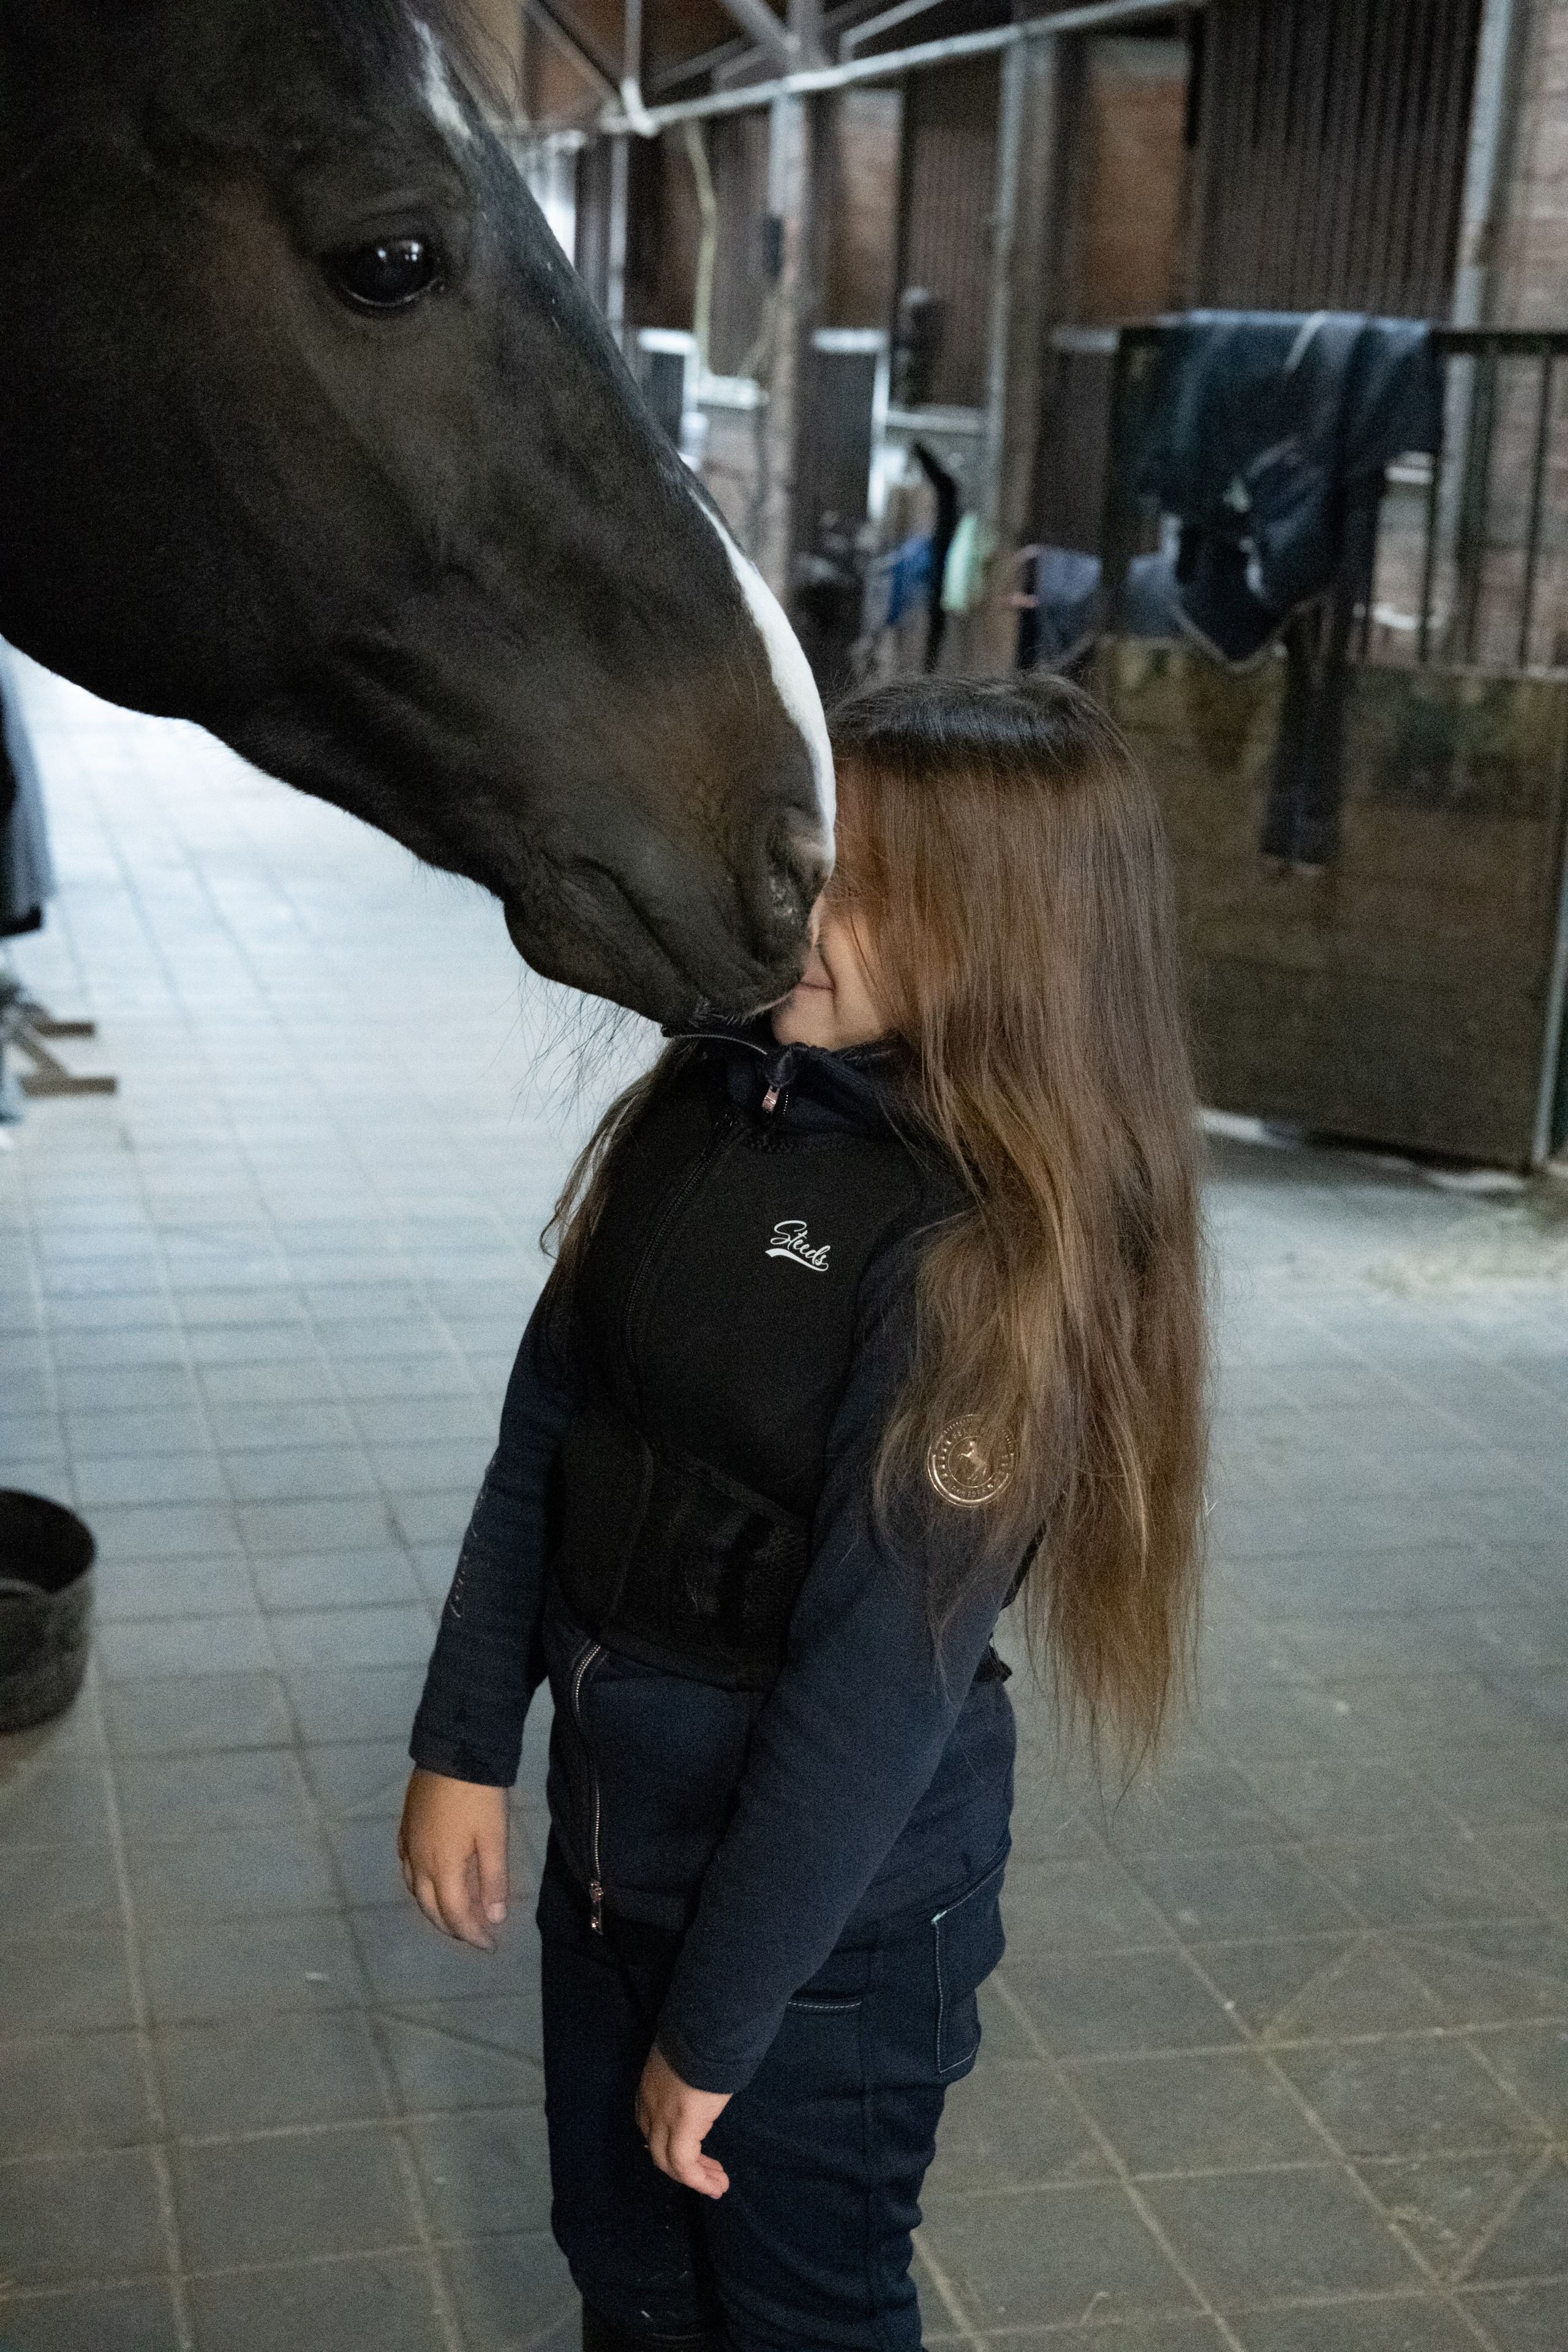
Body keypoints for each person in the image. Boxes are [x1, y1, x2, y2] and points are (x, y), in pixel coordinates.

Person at [399, 672, 1208, 2351]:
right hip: (615, 1874)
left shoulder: (984, 1257)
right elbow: (551, 1423)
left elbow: (869, 1698)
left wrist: (718, 2030)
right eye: (809, 856)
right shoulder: (706, 1100)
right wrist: (468, 1740)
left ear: (1013, 942)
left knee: (798, 2317)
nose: (796, 911)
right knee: (623, 2284)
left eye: (863, 893)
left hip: (822, 1947)